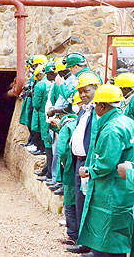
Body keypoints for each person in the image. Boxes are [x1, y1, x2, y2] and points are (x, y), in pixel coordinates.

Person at [78, 85, 134, 257]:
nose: (94, 108)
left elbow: (106, 163)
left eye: (96, 105)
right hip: (122, 188)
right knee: (118, 235)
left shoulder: (111, 129)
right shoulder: (127, 121)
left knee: (107, 236)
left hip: (110, 189)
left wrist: (89, 170)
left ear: (102, 106)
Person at [66, 72, 101, 255]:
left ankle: (91, 244)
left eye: (86, 91)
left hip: (88, 165)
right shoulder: (85, 110)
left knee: (89, 204)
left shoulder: (98, 112)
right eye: (80, 92)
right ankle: (83, 240)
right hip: (78, 163)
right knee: (80, 203)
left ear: (97, 89)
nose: (83, 95)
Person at [57, 114, 79, 245]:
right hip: (84, 168)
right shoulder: (81, 124)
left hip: (71, 170)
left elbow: (63, 151)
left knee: (70, 202)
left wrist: (65, 165)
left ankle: (73, 235)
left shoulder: (66, 128)